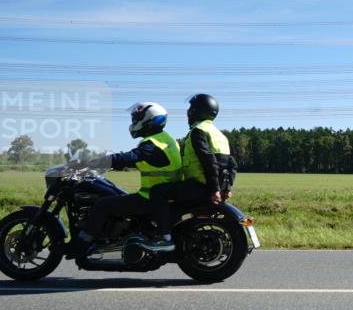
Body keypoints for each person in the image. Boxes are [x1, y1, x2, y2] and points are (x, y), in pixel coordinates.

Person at [69, 102, 182, 255]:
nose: (134, 123)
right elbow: (143, 162)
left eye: (136, 119)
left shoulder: (152, 144)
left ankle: (81, 245)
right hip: (165, 195)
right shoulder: (166, 140)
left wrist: (95, 162)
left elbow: (130, 157)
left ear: (149, 120)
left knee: (103, 205)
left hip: (151, 198)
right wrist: (113, 165)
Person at [147, 93, 236, 252]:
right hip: (212, 187)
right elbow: (231, 164)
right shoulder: (220, 135)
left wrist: (215, 189)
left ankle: (164, 238)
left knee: (157, 192)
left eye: (191, 108)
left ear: (196, 111)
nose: (189, 112)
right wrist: (226, 188)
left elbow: (207, 160)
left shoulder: (198, 131)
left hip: (200, 186)